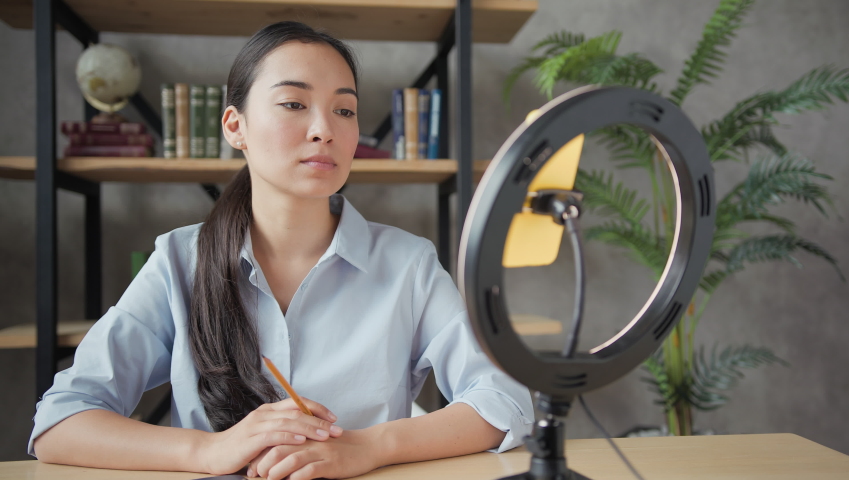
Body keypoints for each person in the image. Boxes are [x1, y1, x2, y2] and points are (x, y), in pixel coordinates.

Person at [29, 21, 533, 480]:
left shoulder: (408, 264)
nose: (324, 129)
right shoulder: (179, 261)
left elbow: (503, 399)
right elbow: (61, 421)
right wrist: (208, 452)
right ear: (235, 127)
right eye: (294, 104)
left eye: (345, 110)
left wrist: (368, 447)